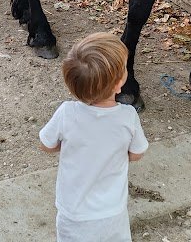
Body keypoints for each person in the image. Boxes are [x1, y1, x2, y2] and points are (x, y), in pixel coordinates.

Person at [39, 32, 149, 242]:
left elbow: (46, 144)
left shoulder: (66, 113)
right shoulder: (127, 117)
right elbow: (137, 153)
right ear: (118, 84)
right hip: (112, 212)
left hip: (73, 212)